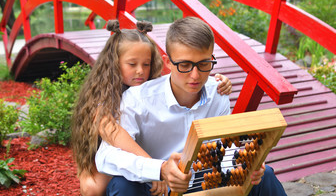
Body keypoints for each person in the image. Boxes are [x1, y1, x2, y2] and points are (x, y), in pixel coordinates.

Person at [95, 17, 287, 196]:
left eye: (204, 64)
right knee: (122, 185)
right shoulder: (137, 98)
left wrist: (245, 162)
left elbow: (223, 148)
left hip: (202, 184)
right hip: (154, 187)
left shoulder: (217, 92)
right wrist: (158, 169)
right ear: (168, 62)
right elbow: (106, 155)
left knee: (265, 174)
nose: (195, 75)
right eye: (185, 65)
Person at [71, 19, 232, 196]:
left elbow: (226, 145)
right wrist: (157, 170)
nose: (140, 71)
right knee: (94, 188)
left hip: (176, 173)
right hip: (120, 154)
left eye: (146, 64)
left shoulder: (212, 90)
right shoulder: (108, 98)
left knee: (265, 176)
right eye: (132, 64)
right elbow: (116, 142)